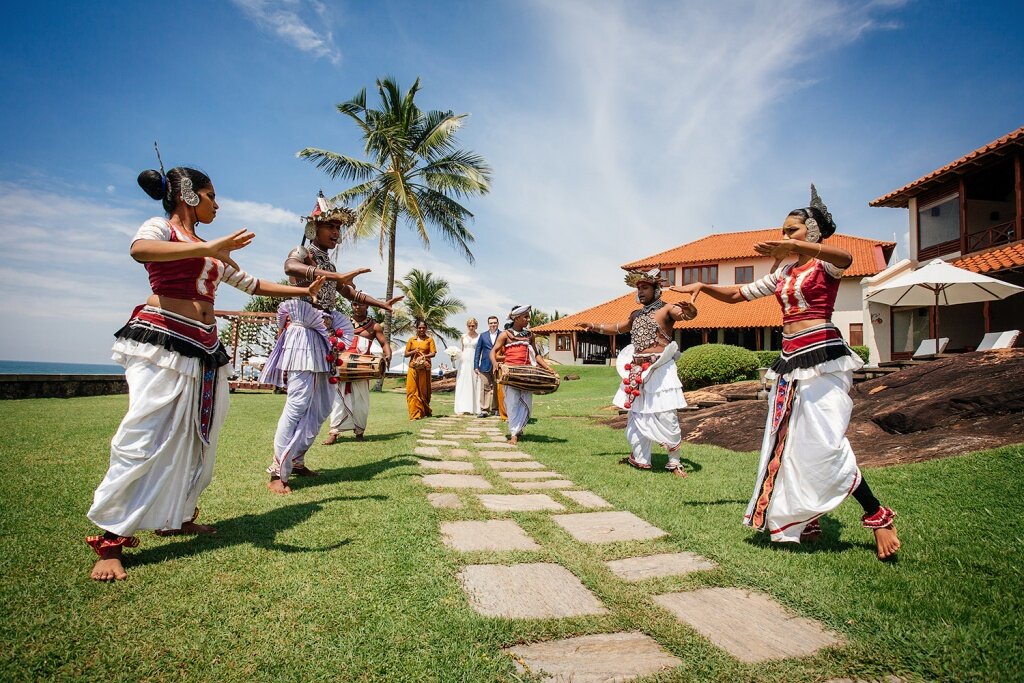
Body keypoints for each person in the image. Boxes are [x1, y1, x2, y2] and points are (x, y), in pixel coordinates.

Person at [86, 160, 326, 581]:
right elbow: (139, 250)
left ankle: (176, 515)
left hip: (205, 346)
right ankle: (110, 539)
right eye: (211, 196)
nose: (217, 203)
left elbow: (252, 285)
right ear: (189, 196)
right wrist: (206, 248)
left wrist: (303, 289)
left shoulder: (208, 248)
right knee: (145, 432)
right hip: (162, 340)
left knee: (200, 435)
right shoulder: (162, 229)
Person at [670, 185, 900, 560]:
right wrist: (702, 285)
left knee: (825, 442)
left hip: (823, 357)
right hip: (791, 360)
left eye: (791, 230)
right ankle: (805, 517)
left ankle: (877, 514)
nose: (784, 237)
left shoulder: (823, 263)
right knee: (791, 446)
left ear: (811, 232)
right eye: (784, 231)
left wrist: (800, 249)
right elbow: (737, 295)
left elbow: (843, 256)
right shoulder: (784, 274)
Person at [260, 195, 401, 495]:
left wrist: (381, 303)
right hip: (302, 334)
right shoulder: (303, 252)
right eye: (331, 226)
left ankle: (296, 459)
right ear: (314, 228)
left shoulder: (329, 261)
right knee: (298, 401)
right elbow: (290, 268)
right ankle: (277, 469)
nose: (337, 232)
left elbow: (350, 292)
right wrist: (331, 275)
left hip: (326, 336)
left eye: (339, 228)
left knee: (323, 404)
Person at [579, 269, 697, 477]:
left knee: (667, 415)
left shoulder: (667, 309)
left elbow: (684, 315)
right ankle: (641, 458)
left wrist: (690, 312)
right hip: (637, 369)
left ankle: (674, 462)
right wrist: (593, 326)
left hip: (661, 369)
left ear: (656, 289)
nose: (641, 292)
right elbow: (616, 328)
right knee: (638, 415)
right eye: (639, 288)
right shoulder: (635, 315)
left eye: (645, 288)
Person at [323, 302, 392, 444]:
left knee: (361, 402)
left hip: (362, 368)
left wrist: (388, 355)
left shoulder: (374, 326)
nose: (357, 307)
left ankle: (359, 431)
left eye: (361, 305)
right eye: (354, 304)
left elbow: (384, 343)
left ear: (367, 307)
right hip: (342, 365)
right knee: (338, 401)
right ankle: (334, 432)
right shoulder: (342, 322)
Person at [489, 305, 555, 445]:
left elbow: (536, 355)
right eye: (525, 317)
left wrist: (547, 368)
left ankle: (519, 429)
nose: (528, 319)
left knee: (526, 403)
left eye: (528, 316)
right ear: (516, 318)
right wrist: (495, 363)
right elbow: (493, 351)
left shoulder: (530, 335)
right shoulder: (506, 334)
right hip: (511, 373)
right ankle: (514, 434)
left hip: (526, 373)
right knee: (512, 402)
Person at [405, 320, 437, 419]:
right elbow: (406, 354)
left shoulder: (430, 340)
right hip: (413, 367)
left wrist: (423, 356)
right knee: (411, 390)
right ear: (416, 328)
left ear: (426, 328)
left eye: (423, 328)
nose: (421, 329)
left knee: (423, 391)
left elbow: (433, 353)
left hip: (424, 367)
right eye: (419, 328)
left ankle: (424, 411)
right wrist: (414, 351)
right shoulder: (411, 340)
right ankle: (415, 414)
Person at [454, 319, 483, 415]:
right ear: (467, 326)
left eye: (473, 326)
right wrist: (454, 356)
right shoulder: (463, 337)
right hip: (464, 361)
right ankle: (462, 407)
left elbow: (480, 351)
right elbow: (462, 350)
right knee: (463, 382)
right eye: (469, 326)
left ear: (476, 326)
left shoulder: (480, 337)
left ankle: (474, 407)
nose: (471, 327)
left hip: (474, 361)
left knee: (474, 383)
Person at [474, 316, 500, 417]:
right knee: (484, 387)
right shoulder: (483, 336)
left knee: (498, 387)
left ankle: (496, 408)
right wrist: (476, 365)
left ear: (498, 323)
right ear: (488, 324)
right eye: (491, 323)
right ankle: (484, 409)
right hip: (484, 365)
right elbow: (478, 351)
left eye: (494, 323)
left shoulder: (502, 334)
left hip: (498, 365)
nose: (493, 325)